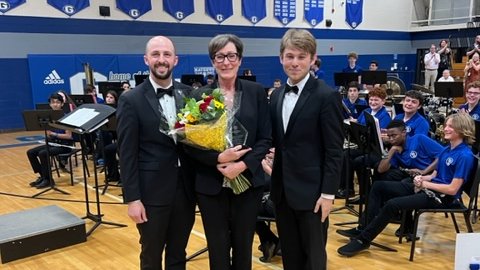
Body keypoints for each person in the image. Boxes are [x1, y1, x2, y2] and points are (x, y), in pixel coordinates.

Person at [185, 34, 271, 270]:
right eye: (219, 56)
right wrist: (218, 159)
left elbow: (265, 138)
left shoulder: (255, 92)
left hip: (248, 184)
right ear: (213, 61)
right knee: (218, 248)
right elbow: (189, 144)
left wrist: (241, 165)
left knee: (244, 247)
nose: (226, 62)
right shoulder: (198, 96)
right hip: (211, 185)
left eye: (231, 55)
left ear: (240, 59)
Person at [337, 113, 475, 257]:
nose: (445, 128)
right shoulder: (448, 149)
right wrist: (422, 178)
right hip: (429, 188)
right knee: (378, 186)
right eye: (446, 125)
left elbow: (452, 190)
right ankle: (362, 228)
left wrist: (425, 184)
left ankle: (363, 240)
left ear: (462, 130)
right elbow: (437, 175)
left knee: (392, 204)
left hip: (442, 198)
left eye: (450, 127)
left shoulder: (465, 155)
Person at [116, 36, 196, 270]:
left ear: (175, 60)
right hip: (150, 194)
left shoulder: (190, 94)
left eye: (167, 54)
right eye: (156, 54)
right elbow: (127, 152)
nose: (162, 60)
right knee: (151, 254)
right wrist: (133, 199)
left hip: (185, 191)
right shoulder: (131, 99)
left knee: (179, 252)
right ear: (146, 59)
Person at [268, 29, 344, 270]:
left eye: (301, 57)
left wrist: (329, 194)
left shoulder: (326, 96)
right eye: (289, 56)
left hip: (313, 195)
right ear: (281, 58)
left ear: (313, 59)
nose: (295, 63)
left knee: (313, 259)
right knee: (290, 257)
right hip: (282, 193)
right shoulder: (276, 95)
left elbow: (334, 150)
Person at [27, 93, 74, 188]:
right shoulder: (49, 118)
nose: (55, 104)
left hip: (64, 145)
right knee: (30, 152)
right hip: (53, 144)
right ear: (50, 104)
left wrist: (54, 134)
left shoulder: (66, 117)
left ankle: (49, 180)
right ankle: (43, 176)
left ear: (62, 104)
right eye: (53, 102)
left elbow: (69, 136)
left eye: (57, 102)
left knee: (43, 153)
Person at [376, 120, 444, 182]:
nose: (391, 139)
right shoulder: (395, 149)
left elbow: (444, 156)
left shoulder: (419, 139)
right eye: (389, 136)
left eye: (394, 136)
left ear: (404, 133)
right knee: (385, 176)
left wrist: (424, 171)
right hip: (414, 177)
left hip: (432, 175)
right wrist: (392, 150)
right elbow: (381, 169)